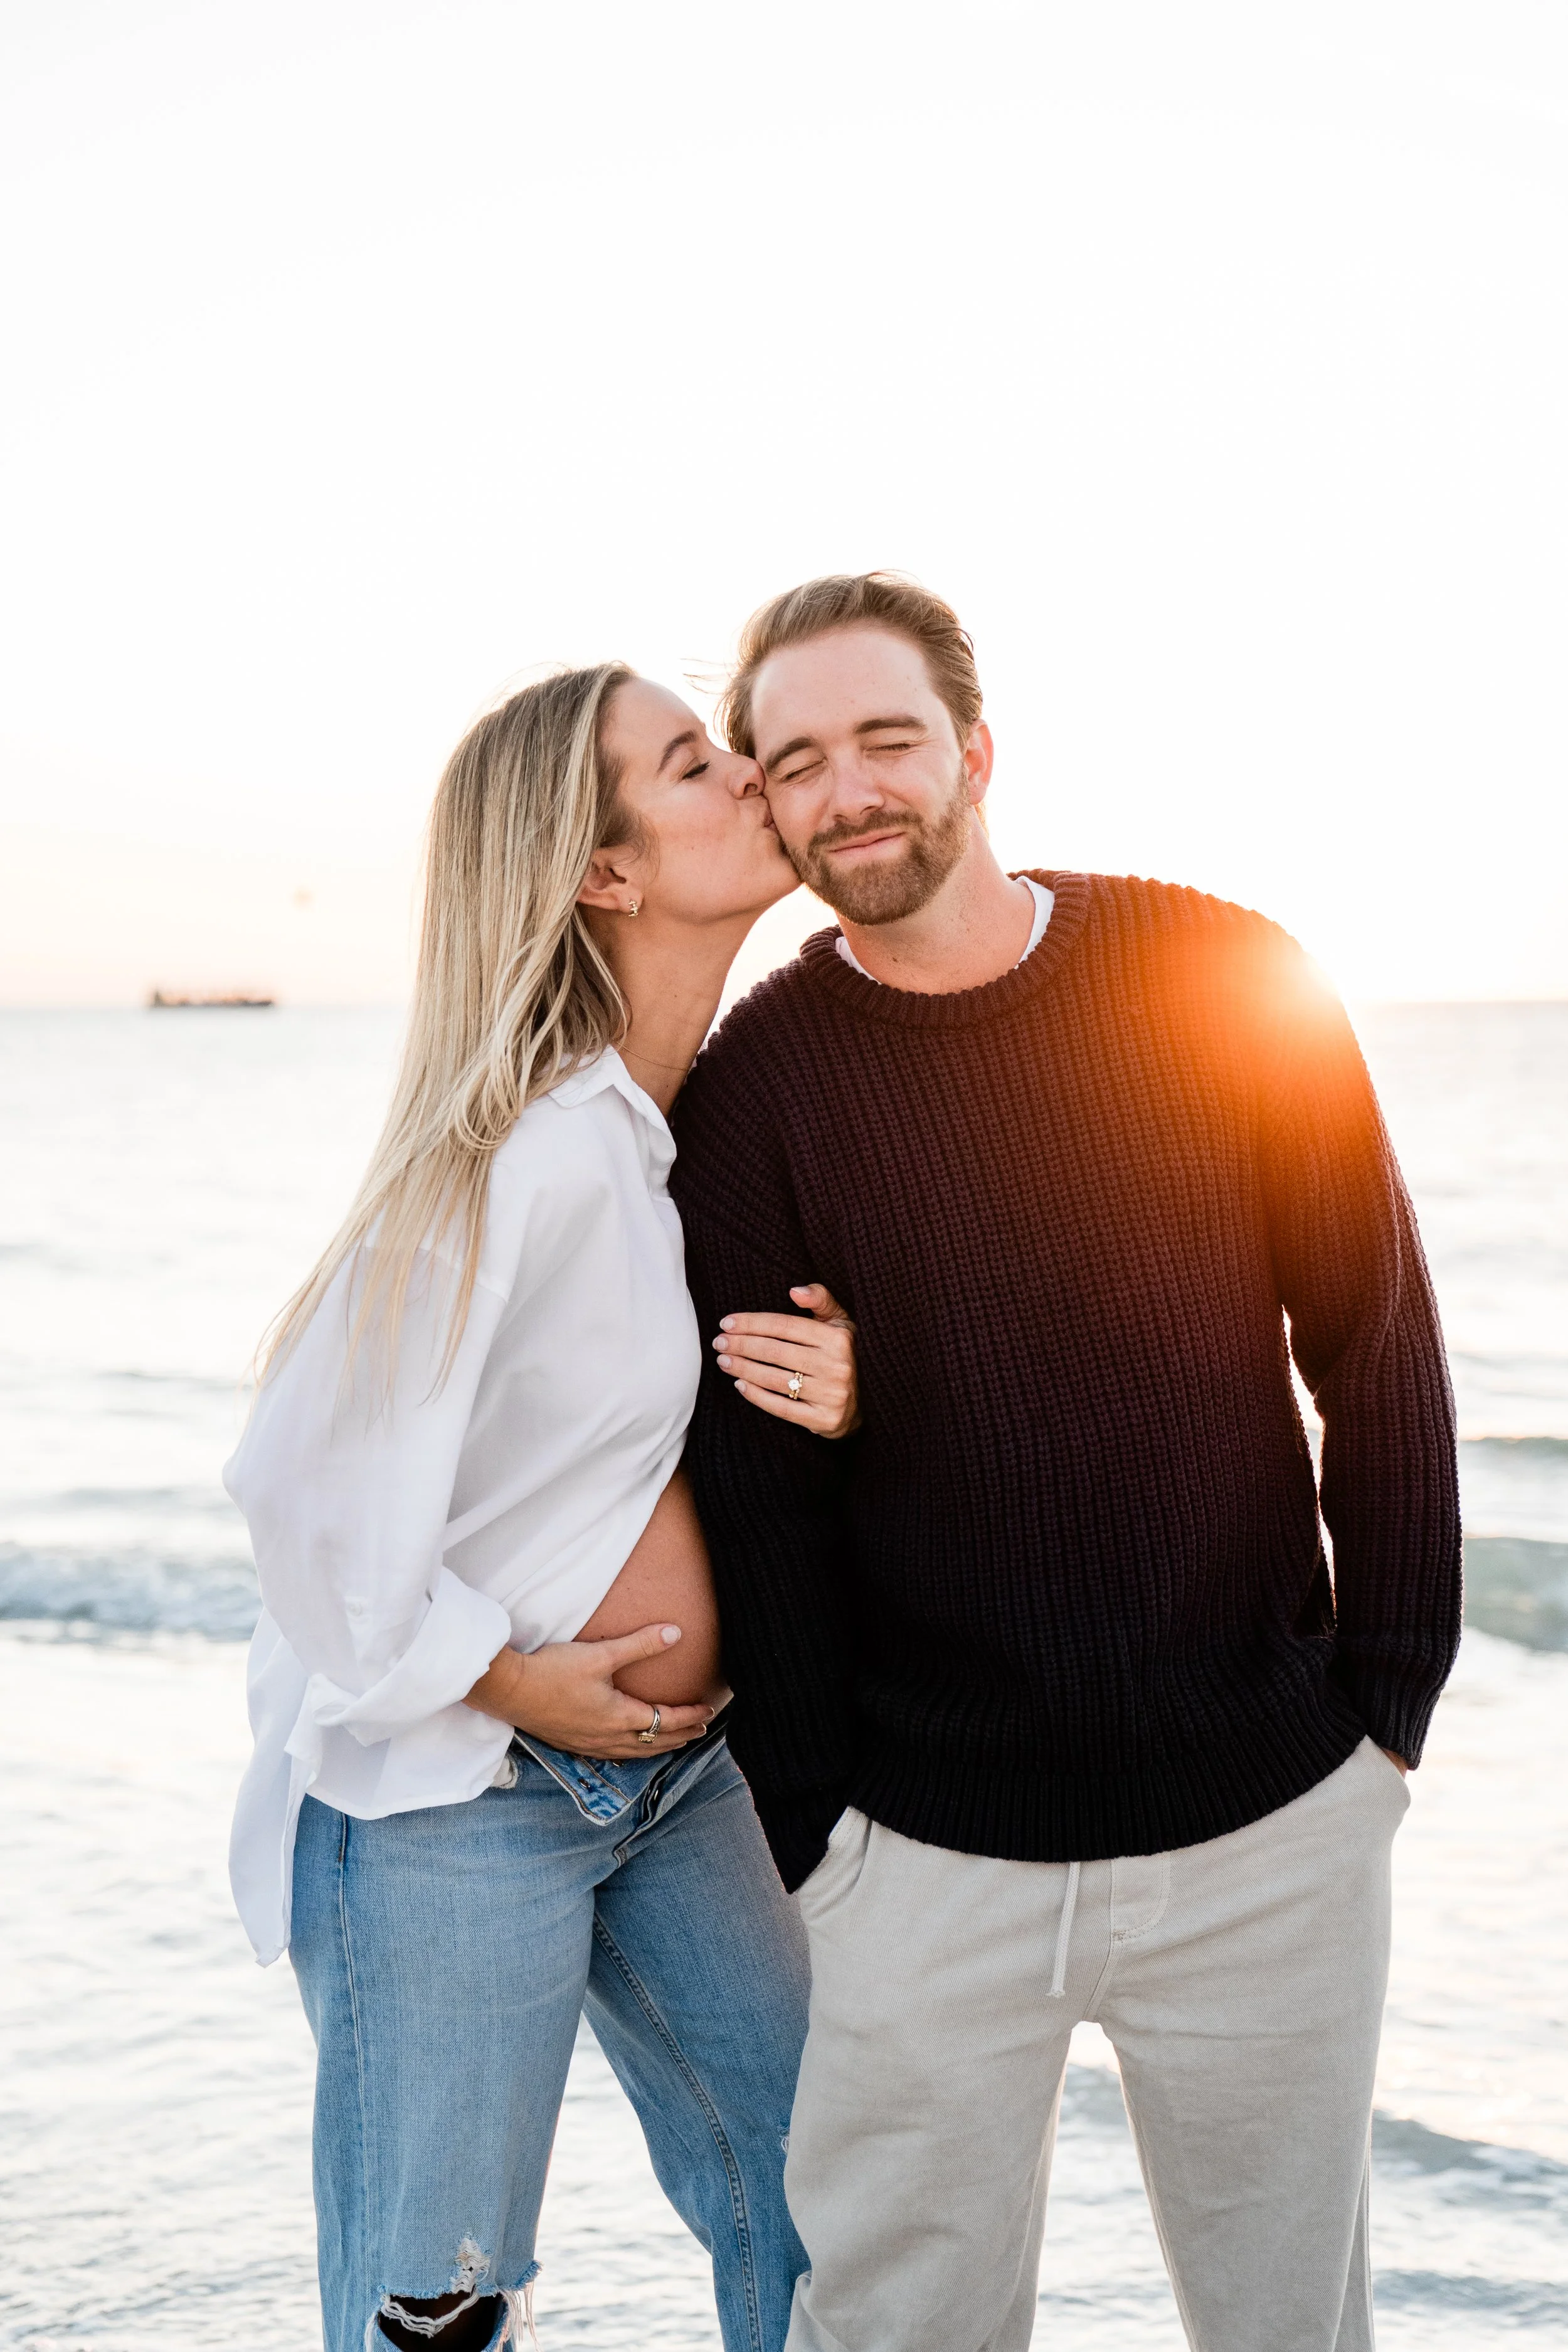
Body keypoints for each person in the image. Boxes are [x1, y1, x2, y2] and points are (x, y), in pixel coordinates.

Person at [670, 573, 1463, 2352]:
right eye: (795, 761)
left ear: (974, 747)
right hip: (921, 1857)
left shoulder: (1224, 974)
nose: (848, 789)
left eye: (885, 738)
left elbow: (1379, 1346)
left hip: (1270, 1833)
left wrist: (1382, 1719)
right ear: (769, 799)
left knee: (1289, 2330)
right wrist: (817, 1829)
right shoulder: (757, 1091)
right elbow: (755, 1474)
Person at [224, 663, 863, 2352]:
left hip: (677, 1786)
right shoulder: (521, 1148)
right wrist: (502, 1676)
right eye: (691, 762)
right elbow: (296, 1484)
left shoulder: (686, 1125)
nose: (745, 772)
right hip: (462, 1795)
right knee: (437, 2305)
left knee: (836, 2208)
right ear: (606, 870)